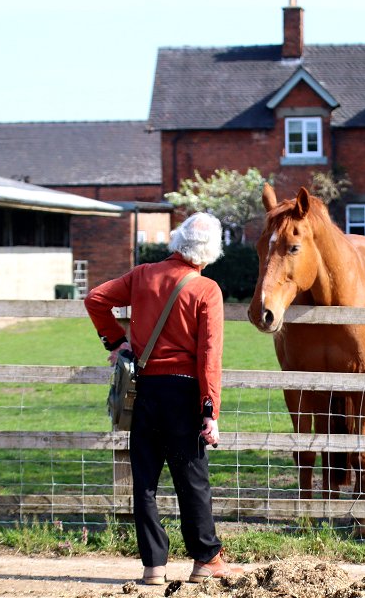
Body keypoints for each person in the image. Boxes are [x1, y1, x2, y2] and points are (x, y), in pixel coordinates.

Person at [84, 212, 242, 586]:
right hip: (184, 393)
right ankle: (206, 559)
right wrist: (210, 410)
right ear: (212, 251)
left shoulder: (142, 275)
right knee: (193, 481)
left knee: (146, 481)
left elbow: (95, 299)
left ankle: (153, 566)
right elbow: (209, 356)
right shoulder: (206, 290)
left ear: (177, 240)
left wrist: (116, 340)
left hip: (146, 392)